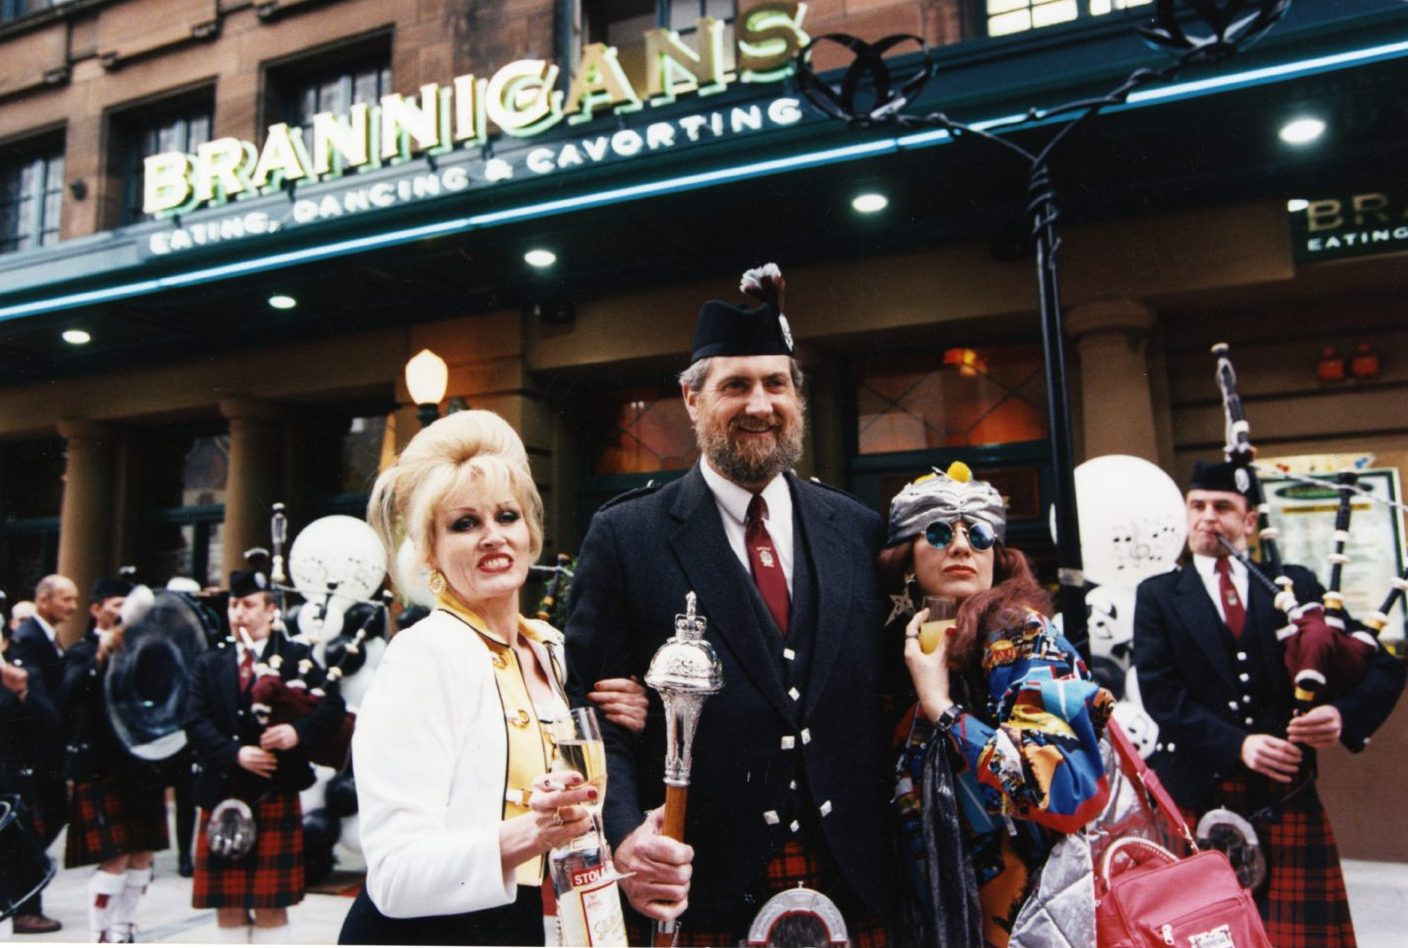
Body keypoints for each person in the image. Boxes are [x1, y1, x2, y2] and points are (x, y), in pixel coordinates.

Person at [565, 264, 895, 945]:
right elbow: (590, 718)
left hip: (856, 876)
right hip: (699, 881)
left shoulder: (858, 530)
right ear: (690, 398)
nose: (759, 404)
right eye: (734, 386)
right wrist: (625, 835)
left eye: (776, 384)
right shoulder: (628, 537)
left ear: (797, 396)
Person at [339, 409, 649, 945]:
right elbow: (392, 875)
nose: (492, 537)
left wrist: (631, 724)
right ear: (430, 551)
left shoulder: (553, 649)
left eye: (507, 516)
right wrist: (531, 832)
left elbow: (586, 794)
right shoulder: (422, 655)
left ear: (531, 533)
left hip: (520, 926)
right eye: (465, 523)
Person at [1134, 459, 1405, 946]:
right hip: (1198, 797)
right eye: (1197, 506)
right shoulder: (1158, 595)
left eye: (1222, 507)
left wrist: (1343, 716)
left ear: (1250, 520)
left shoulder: (1295, 585)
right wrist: (1240, 745)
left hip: (1285, 797)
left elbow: (1380, 664)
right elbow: (1160, 694)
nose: (1207, 518)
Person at [882, 464, 1114, 947]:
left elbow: (1062, 790)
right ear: (906, 559)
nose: (963, 546)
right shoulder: (898, 648)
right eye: (940, 532)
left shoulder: (1020, 636)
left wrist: (942, 707)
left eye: (981, 534)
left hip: (1030, 923)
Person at [183, 566, 347, 944]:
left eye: (249, 604)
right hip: (223, 792)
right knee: (229, 903)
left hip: (275, 791)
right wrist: (234, 753)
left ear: (271, 611)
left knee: (271, 903)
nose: (239, 612)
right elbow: (194, 721)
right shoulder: (210, 663)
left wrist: (297, 732)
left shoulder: (295, 656)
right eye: (234, 605)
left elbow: (332, 706)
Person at [57, 574, 170, 943]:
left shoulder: (148, 651)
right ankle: (100, 934)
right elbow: (67, 696)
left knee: (141, 856)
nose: (126, 614)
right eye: (118, 605)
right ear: (96, 610)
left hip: (142, 765)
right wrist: (100, 654)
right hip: (102, 765)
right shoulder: (80, 651)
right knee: (115, 858)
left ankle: (124, 929)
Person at [6, 573, 78, 933]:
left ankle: (24, 896)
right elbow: (32, 700)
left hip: (46, 753)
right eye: (66, 598)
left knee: (47, 820)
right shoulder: (28, 639)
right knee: (30, 828)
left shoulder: (48, 638)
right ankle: (25, 906)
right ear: (44, 601)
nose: (73, 606)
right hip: (30, 755)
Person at [1, 629, 61, 935]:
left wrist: (23, 690)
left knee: (20, 844)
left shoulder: (23, 675)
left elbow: (49, 724)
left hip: (14, 779)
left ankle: (27, 910)